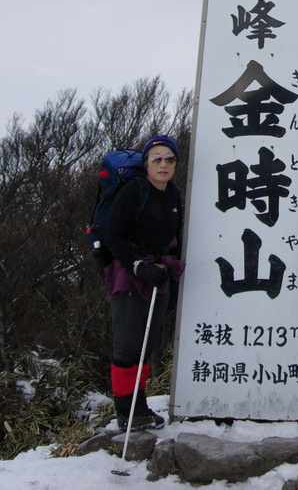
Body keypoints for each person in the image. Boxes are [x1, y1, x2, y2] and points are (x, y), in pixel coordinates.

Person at [103, 134, 185, 432]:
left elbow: (175, 238)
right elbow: (113, 235)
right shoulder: (134, 191)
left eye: (170, 159)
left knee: (146, 345)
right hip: (129, 277)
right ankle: (125, 411)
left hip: (159, 275)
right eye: (157, 159)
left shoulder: (173, 194)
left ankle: (140, 408)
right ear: (147, 163)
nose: (164, 165)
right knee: (127, 346)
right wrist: (138, 265)